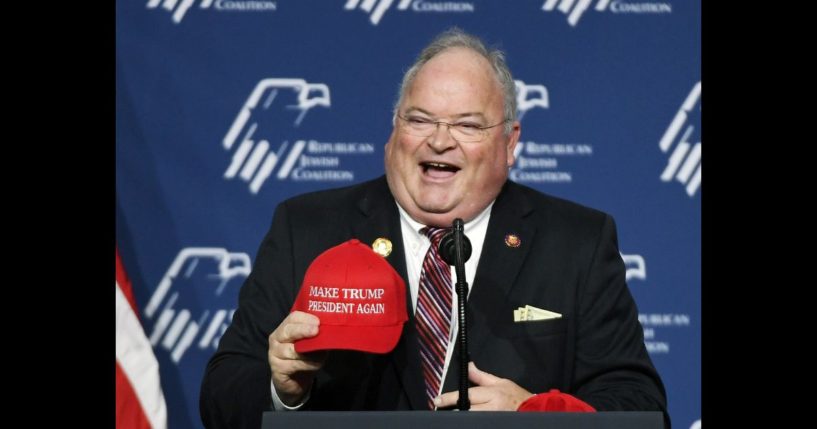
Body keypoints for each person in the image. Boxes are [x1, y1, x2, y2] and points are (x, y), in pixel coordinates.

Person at [200, 28, 668, 428]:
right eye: (420, 119)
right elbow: (221, 394)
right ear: (393, 131)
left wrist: (533, 413)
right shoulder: (308, 228)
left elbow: (641, 408)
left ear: (510, 143)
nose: (440, 141)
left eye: (467, 125)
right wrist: (283, 390)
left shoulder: (576, 243)